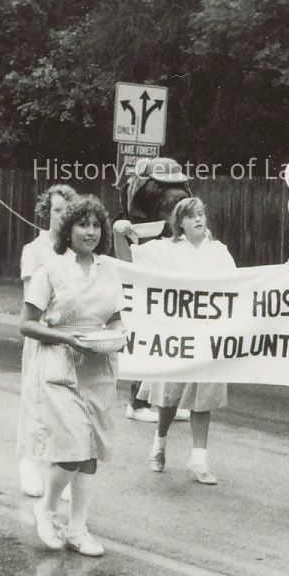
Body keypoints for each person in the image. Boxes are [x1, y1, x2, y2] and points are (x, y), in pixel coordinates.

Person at [18, 195, 125, 557]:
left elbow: (115, 318)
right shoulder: (50, 270)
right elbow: (27, 324)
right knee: (73, 448)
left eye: (96, 225)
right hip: (59, 366)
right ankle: (47, 509)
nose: (90, 232)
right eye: (82, 224)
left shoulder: (109, 271)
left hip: (98, 368)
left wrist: (120, 335)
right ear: (69, 229)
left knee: (91, 451)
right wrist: (66, 338)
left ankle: (78, 528)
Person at [142, 197, 237, 485]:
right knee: (169, 396)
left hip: (207, 333)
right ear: (179, 222)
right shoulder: (165, 249)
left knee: (202, 397)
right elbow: (129, 259)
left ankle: (199, 459)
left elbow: (239, 285)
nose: (198, 219)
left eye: (201, 214)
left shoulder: (219, 251)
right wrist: (121, 231)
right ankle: (159, 443)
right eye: (191, 215)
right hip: (175, 333)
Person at [113, 157, 192, 422]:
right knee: (148, 335)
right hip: (144, 275)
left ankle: (164, 403)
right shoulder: (135, 215)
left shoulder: (170, 207)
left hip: (166, 279)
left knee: (167, 341)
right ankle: (137, 402)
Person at [17, 183, 76, 498]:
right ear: (47, 212)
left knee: (64, 406)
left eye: (68, 211)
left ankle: (58, 472)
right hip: (42, 335)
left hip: (69, 337)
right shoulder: (35, 249)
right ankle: (29, 463)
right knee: (36, 401)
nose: (62, 216)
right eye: (57, 210)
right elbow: (33, 298)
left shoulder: (76, 249)